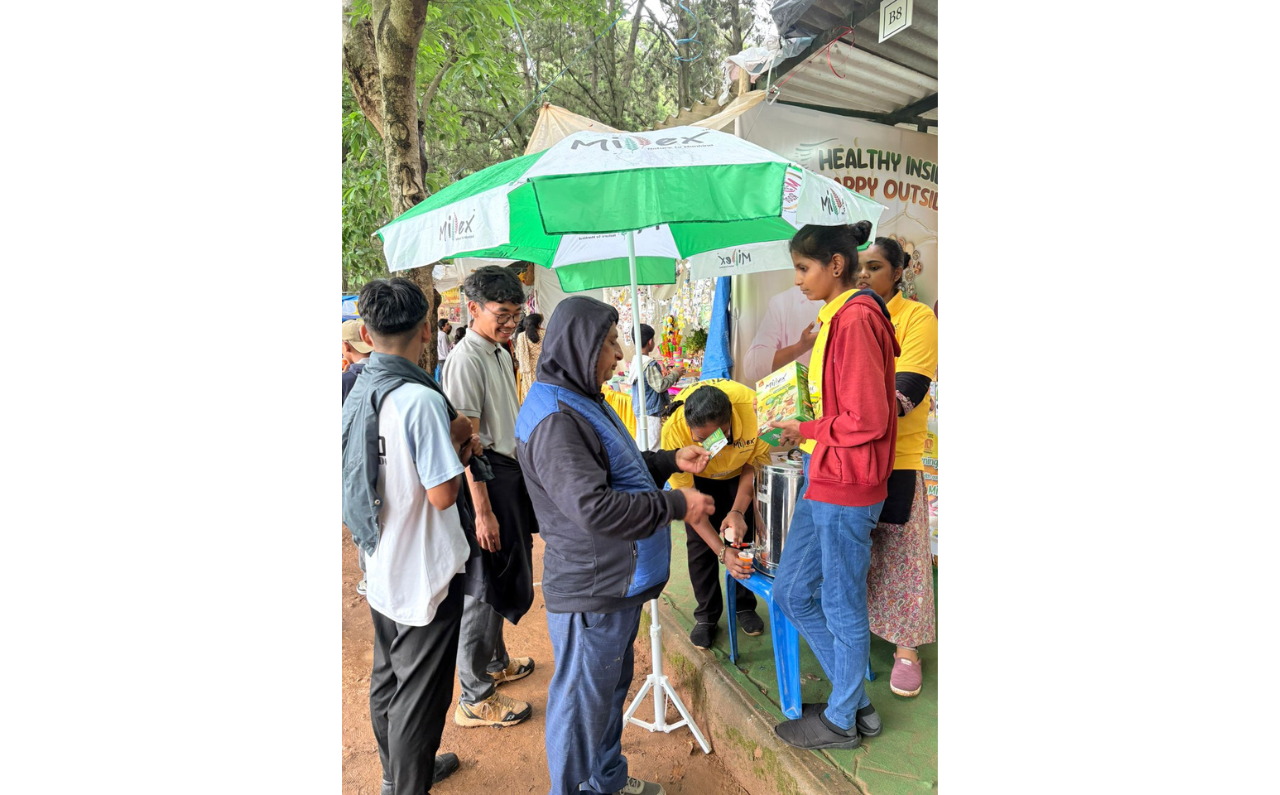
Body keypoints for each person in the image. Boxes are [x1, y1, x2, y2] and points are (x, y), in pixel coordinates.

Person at [516, 296, 716, 795]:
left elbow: (616, 468)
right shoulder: (556, 419)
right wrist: (676, 504)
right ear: (580, 347)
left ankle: (604, 782)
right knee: (581, 709)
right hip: (593, 588)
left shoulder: (580, 397)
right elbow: (594, 508)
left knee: (605, 695)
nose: (620, 354)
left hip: (614, 585)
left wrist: (669, 460)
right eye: (609, 343)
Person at [762, 221, 899, 751]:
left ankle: (842, 721)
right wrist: (806, 429)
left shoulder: (857, 320)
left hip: (848, 483)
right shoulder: (836, 320)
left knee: (842, 604)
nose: (798, 280)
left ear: (835, 265)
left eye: (803, 268)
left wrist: (808, 429)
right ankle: (853, 701)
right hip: (824, 475)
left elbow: (868, 418)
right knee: (792, 592)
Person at [341, 277, 477, 793]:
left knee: (388, 676)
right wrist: (459, 439)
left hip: (380, 559)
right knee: (419, 699)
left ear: (366, 335)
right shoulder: (419, 399)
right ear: (425, 330)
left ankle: (392, 774)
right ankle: (406, 782)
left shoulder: (360, 388)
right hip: (424, 571)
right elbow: (442, 495)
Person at [441, 265, 538, 730]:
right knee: (483, 584)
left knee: (502, 574)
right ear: (473, 308)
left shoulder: (498, 350)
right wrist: (482, 512)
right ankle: (474, 695)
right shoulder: (466, 359)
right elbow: (467, 445)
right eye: (502, 315)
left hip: (506, 474)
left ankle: (495, 662)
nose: (511, 323)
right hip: (486, 480)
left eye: (516, 314)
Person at [852, 238, 939, 698]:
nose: (863, 275)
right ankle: (857, 629)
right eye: (859, 266)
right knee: (856, 551)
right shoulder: (846, 318)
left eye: (875, 266)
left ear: (899, 271)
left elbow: (908, 387)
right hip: (849, 457)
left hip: (896, 458)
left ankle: (907, 650)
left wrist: (849, 414)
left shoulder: (917, 318)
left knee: (904, 557)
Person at [660, 380, 768, 649]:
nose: (710, 445)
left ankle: (744, 605)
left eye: (720, 435)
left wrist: (738, 511)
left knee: (742, 541)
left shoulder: (754, 409)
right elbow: (689, 503)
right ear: (689, 428)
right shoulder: (674, 431)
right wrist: (721, 551)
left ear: (730, 421)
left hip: (738, 476)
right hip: (698, 480)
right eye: (700, 439)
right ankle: (707, 615)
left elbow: (752, 465)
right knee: (700, 547)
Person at [342, 319, 374, 596]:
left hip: (352, 465)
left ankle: (369, 578)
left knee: (360, 519)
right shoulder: (383, 375)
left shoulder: (346, 381)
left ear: (346, 346)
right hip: (382, 458)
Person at [740, 285, 824, 387]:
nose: (797, 280)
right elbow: (752, 365)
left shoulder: (841, 306)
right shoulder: (784, 302)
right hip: (797, 392)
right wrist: (800, 347)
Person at [625, 324, 684, 452]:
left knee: (642, 441)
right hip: (650, 411)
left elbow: (649, 382)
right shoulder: (649, 363)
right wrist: (675, 373)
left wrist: (662, 376)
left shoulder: (636, 360)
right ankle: (651, 464)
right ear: (650, 341)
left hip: (641, 408)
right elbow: (660, 386)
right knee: (653, 445)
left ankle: (642, 462)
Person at [513, 313, 545, 404]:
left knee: (530, 396)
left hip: (529, 371)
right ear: (539, 324)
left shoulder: (522, 336)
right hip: (543, 368)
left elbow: (518, 355)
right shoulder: (545, 333)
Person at [436, 318, 453, 383]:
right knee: (443, 378)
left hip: (440, 359)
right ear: (443, 326)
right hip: (444, 359)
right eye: (447, 324)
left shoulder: (439, 334)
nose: (449, 325)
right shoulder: (443, 335)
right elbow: (445, 350)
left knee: (441, 377)